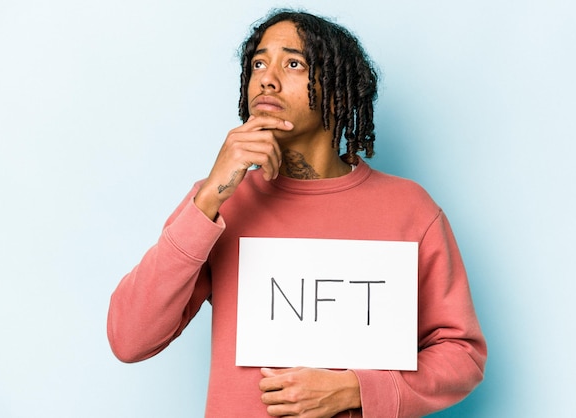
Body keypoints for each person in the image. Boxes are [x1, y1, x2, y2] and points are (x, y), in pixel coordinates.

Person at [107, 9, 487, 418]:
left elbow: (461, 355)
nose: (267, 78)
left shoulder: (409, 209)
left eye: (292, 63)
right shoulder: (219, 203)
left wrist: (355, 389)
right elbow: (129, 339)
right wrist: (208, 198)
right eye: (258, 63)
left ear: (338, 94)